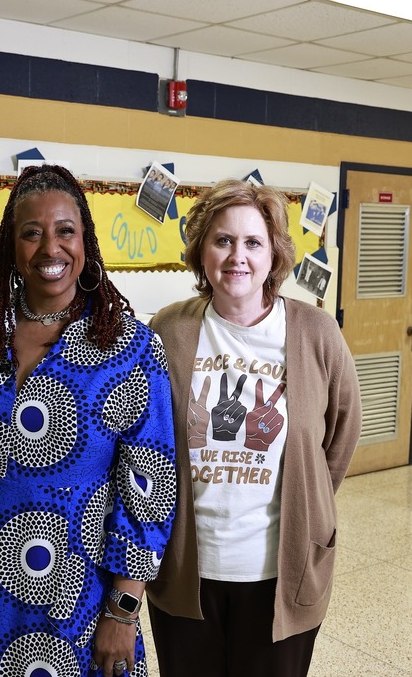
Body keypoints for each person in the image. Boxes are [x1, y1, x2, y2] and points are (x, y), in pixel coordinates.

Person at [0, 164, 177, 677]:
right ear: (10, 246)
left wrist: (123, 609)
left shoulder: (130, 348)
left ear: (86, 241)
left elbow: (150, 488)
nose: (49, 249)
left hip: (76, 595)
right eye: (31, 233)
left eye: (65, 231)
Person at [145, 179, 362, 677]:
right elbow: (146, 435)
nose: (236, 256)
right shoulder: (168, 330)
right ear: (201, 250)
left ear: (274, 254)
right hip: (186, 572)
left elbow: (343, 429)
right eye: (222, 240)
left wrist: (311, 498)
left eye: (252, 242)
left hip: (279, 575)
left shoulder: (316, 332)